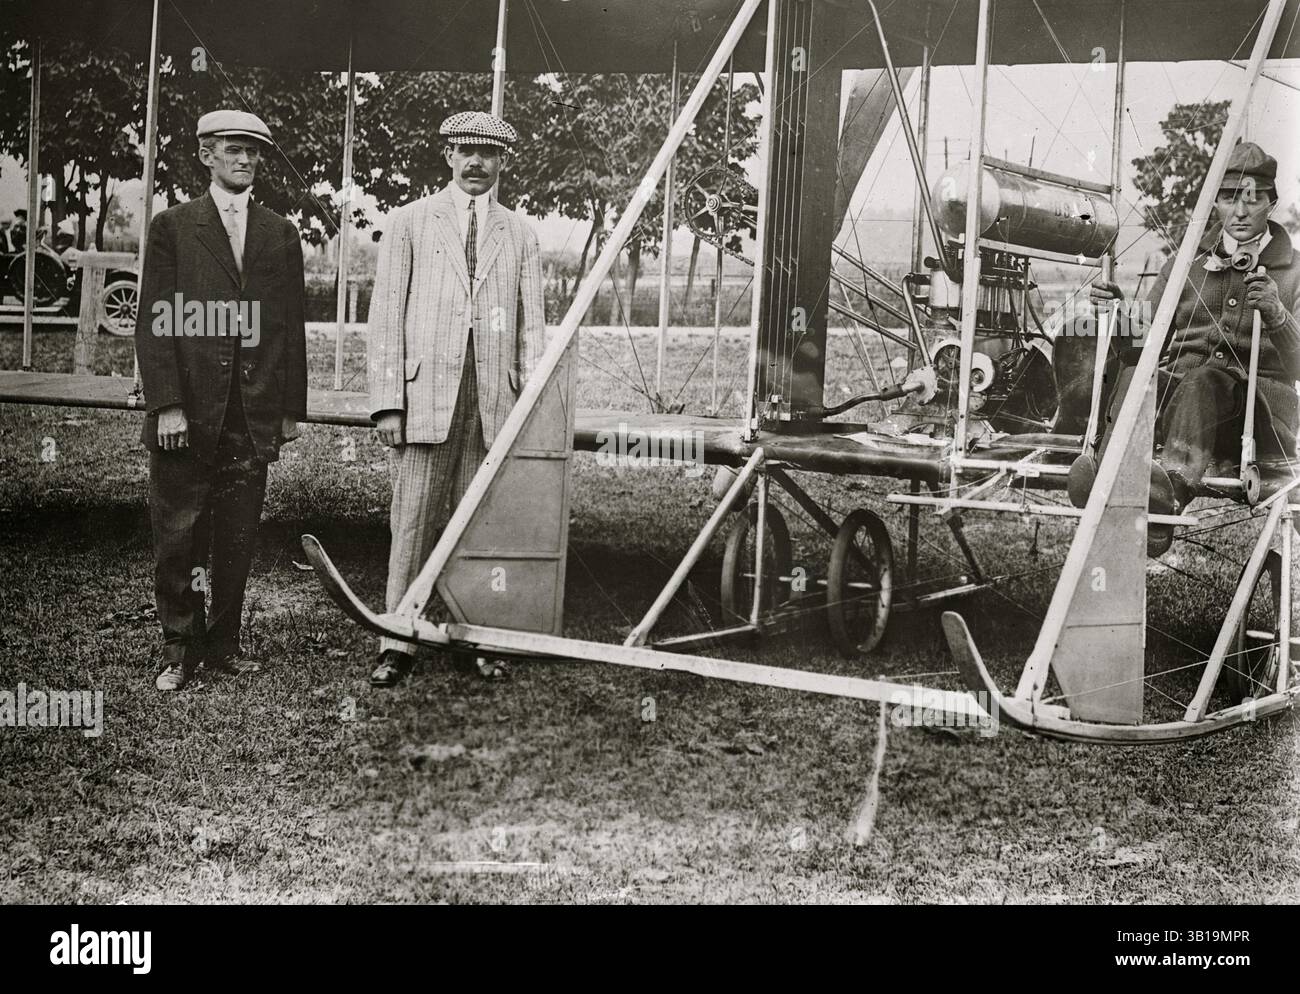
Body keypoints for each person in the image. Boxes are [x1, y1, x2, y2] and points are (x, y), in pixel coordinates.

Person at [366, 111, 546, 688]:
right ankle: (399, 640)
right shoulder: (410, 222)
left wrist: (530, 408)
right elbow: (386, 318)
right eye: (466, 151)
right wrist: (388, 402)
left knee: (480, 527)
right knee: (413, 520)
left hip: (493, 402)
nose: (476, 163)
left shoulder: (519, 233)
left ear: (502, 162)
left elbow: (532, 328)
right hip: (425, 399)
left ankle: (476, 638)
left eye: (487, 154)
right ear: (447, 155)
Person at [134, 110, 307, 691]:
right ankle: (180, 647)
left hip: (250, 411)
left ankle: (225, 643)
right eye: (234, 149)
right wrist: (167, 405)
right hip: (187, 408)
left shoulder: (279, 233)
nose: (245, 160)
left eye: (254, 152)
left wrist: (288, 409)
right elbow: (155, 324)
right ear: (206, 154)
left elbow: (289, 326)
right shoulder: (173, 227)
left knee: (238, 529)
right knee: (178, 528)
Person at [1073, 141, 1300, 549]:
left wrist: (1278, 314)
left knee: (1206, 380)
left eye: (1254, 198)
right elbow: (1142, 346)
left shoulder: (1296, 271)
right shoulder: (1185, 265)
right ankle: (1105, 476)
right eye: (1229, 198)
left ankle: (1166, 497)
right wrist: (1120, 314)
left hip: (1258, 421)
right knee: (1135, 377)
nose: (1241, 211)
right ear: (1215, 203)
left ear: (1271, 202)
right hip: (1184, 410)